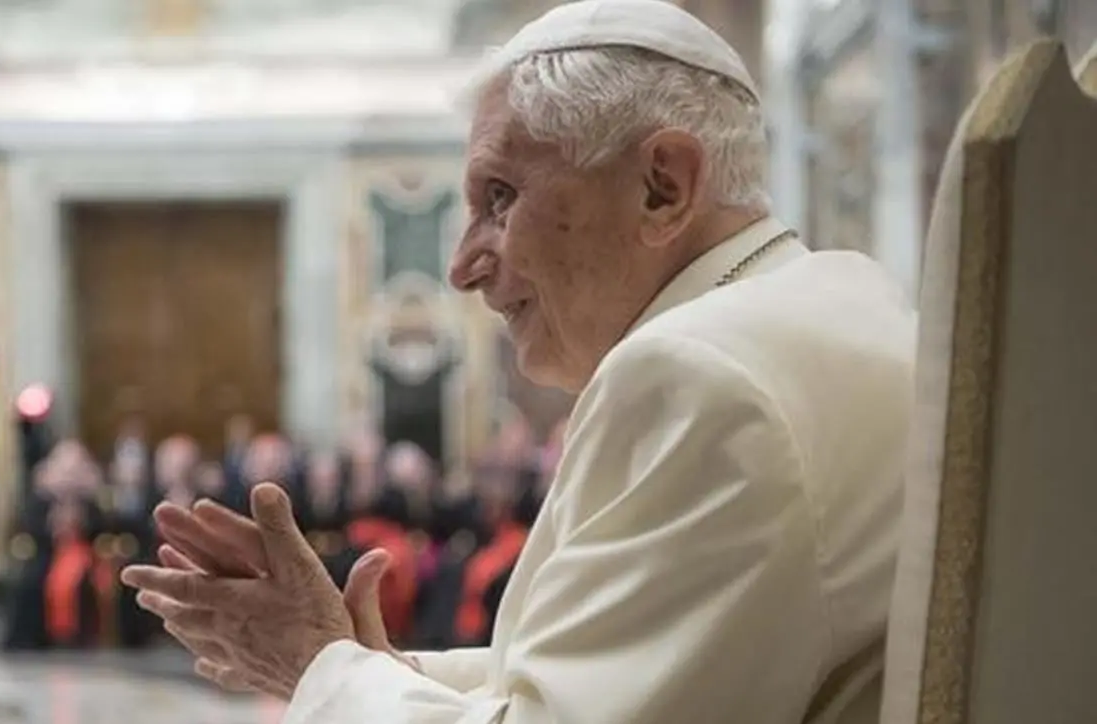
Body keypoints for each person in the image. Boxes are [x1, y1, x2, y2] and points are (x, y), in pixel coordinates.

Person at [121, 1, 916, 722]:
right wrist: (363, 666)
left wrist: (317, 666)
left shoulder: (694, 375)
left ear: (662, 186)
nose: (463, 266)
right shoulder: (840, 296)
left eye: (499, 198)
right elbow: (599, 670)